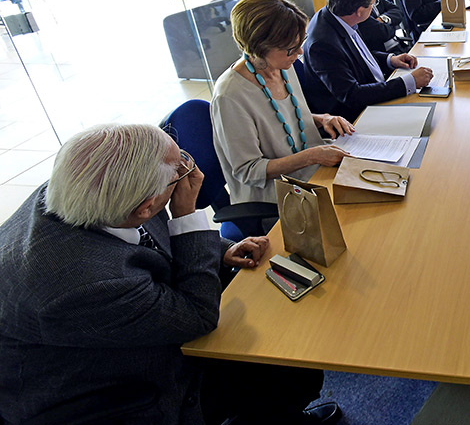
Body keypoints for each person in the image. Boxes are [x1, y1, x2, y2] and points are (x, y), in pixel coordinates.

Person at [0, 123, 341, 424]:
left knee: (276, 331)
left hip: (120, 319)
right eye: (177, 175)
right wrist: (186, 215)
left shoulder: (88, 186)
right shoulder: (81, 285)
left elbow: (143, 239)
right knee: (285, 365)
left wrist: (220, 250)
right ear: (146, 206)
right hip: (111, 391)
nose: (188, 171)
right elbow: (197, 316)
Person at [212, 0, 353, 207]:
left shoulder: (282, 65)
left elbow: (279, 115)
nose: (298, 52)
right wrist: (311, 156)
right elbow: (248, 170)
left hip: (312, 173)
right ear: (259, 47)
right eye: (290, 48)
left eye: (300, 42)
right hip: (275, 197)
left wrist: (319, 118)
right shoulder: (229, 96)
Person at [304, 0, 432, 120]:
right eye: (373, 3)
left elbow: (357, 56)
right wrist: (408, 82)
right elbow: (352, 95)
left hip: (374, 92)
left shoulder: (339, 16)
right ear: (359, 11)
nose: (374, 7)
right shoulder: (322, 44)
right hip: (357, 117)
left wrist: (389, 60)